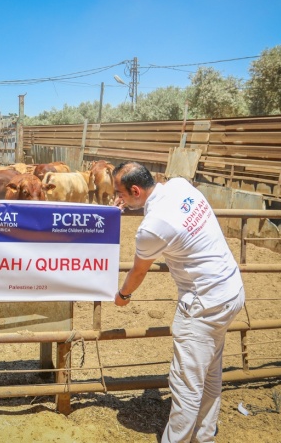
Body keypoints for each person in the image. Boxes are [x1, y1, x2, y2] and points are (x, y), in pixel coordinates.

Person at [113, 162, 245, 443]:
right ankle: (204, 436)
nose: (118, 198)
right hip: (231, 290)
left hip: (203, 304)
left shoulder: (151, 229)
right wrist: (121, 208)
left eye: (120, 193)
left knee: (186, 385)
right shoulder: (181, 185)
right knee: (210, 373)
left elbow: (138, 271)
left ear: (135, 190)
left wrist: (123, 295)